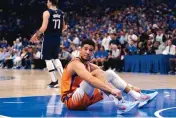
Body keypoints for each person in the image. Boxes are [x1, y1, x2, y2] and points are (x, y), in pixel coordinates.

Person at [60, 40, 158, 113]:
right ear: (80, 50)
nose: (88, 52)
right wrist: (111, 90)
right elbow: (90, 79)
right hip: (71, 99)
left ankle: (137, 96)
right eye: (85, 49)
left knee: (109, 73)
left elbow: (107, 77)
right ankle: (119, 103)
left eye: (90, 50)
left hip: (84, 99)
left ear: (93, 53)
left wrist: (131, 87)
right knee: (96, 74)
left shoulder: (89, 65)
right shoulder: (75, 63)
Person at [31, 0, 67, 88]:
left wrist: (36, 35)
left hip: (48, 38)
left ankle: (55, 81)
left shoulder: (47, 13)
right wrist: (56, 32)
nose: (47, 3)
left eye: (47, 2)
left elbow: (44, 27)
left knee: (48, 59)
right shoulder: (61, 13)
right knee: (55, 58)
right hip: (57, 39)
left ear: (50, 2)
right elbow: (64, 27)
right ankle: (65, 80)